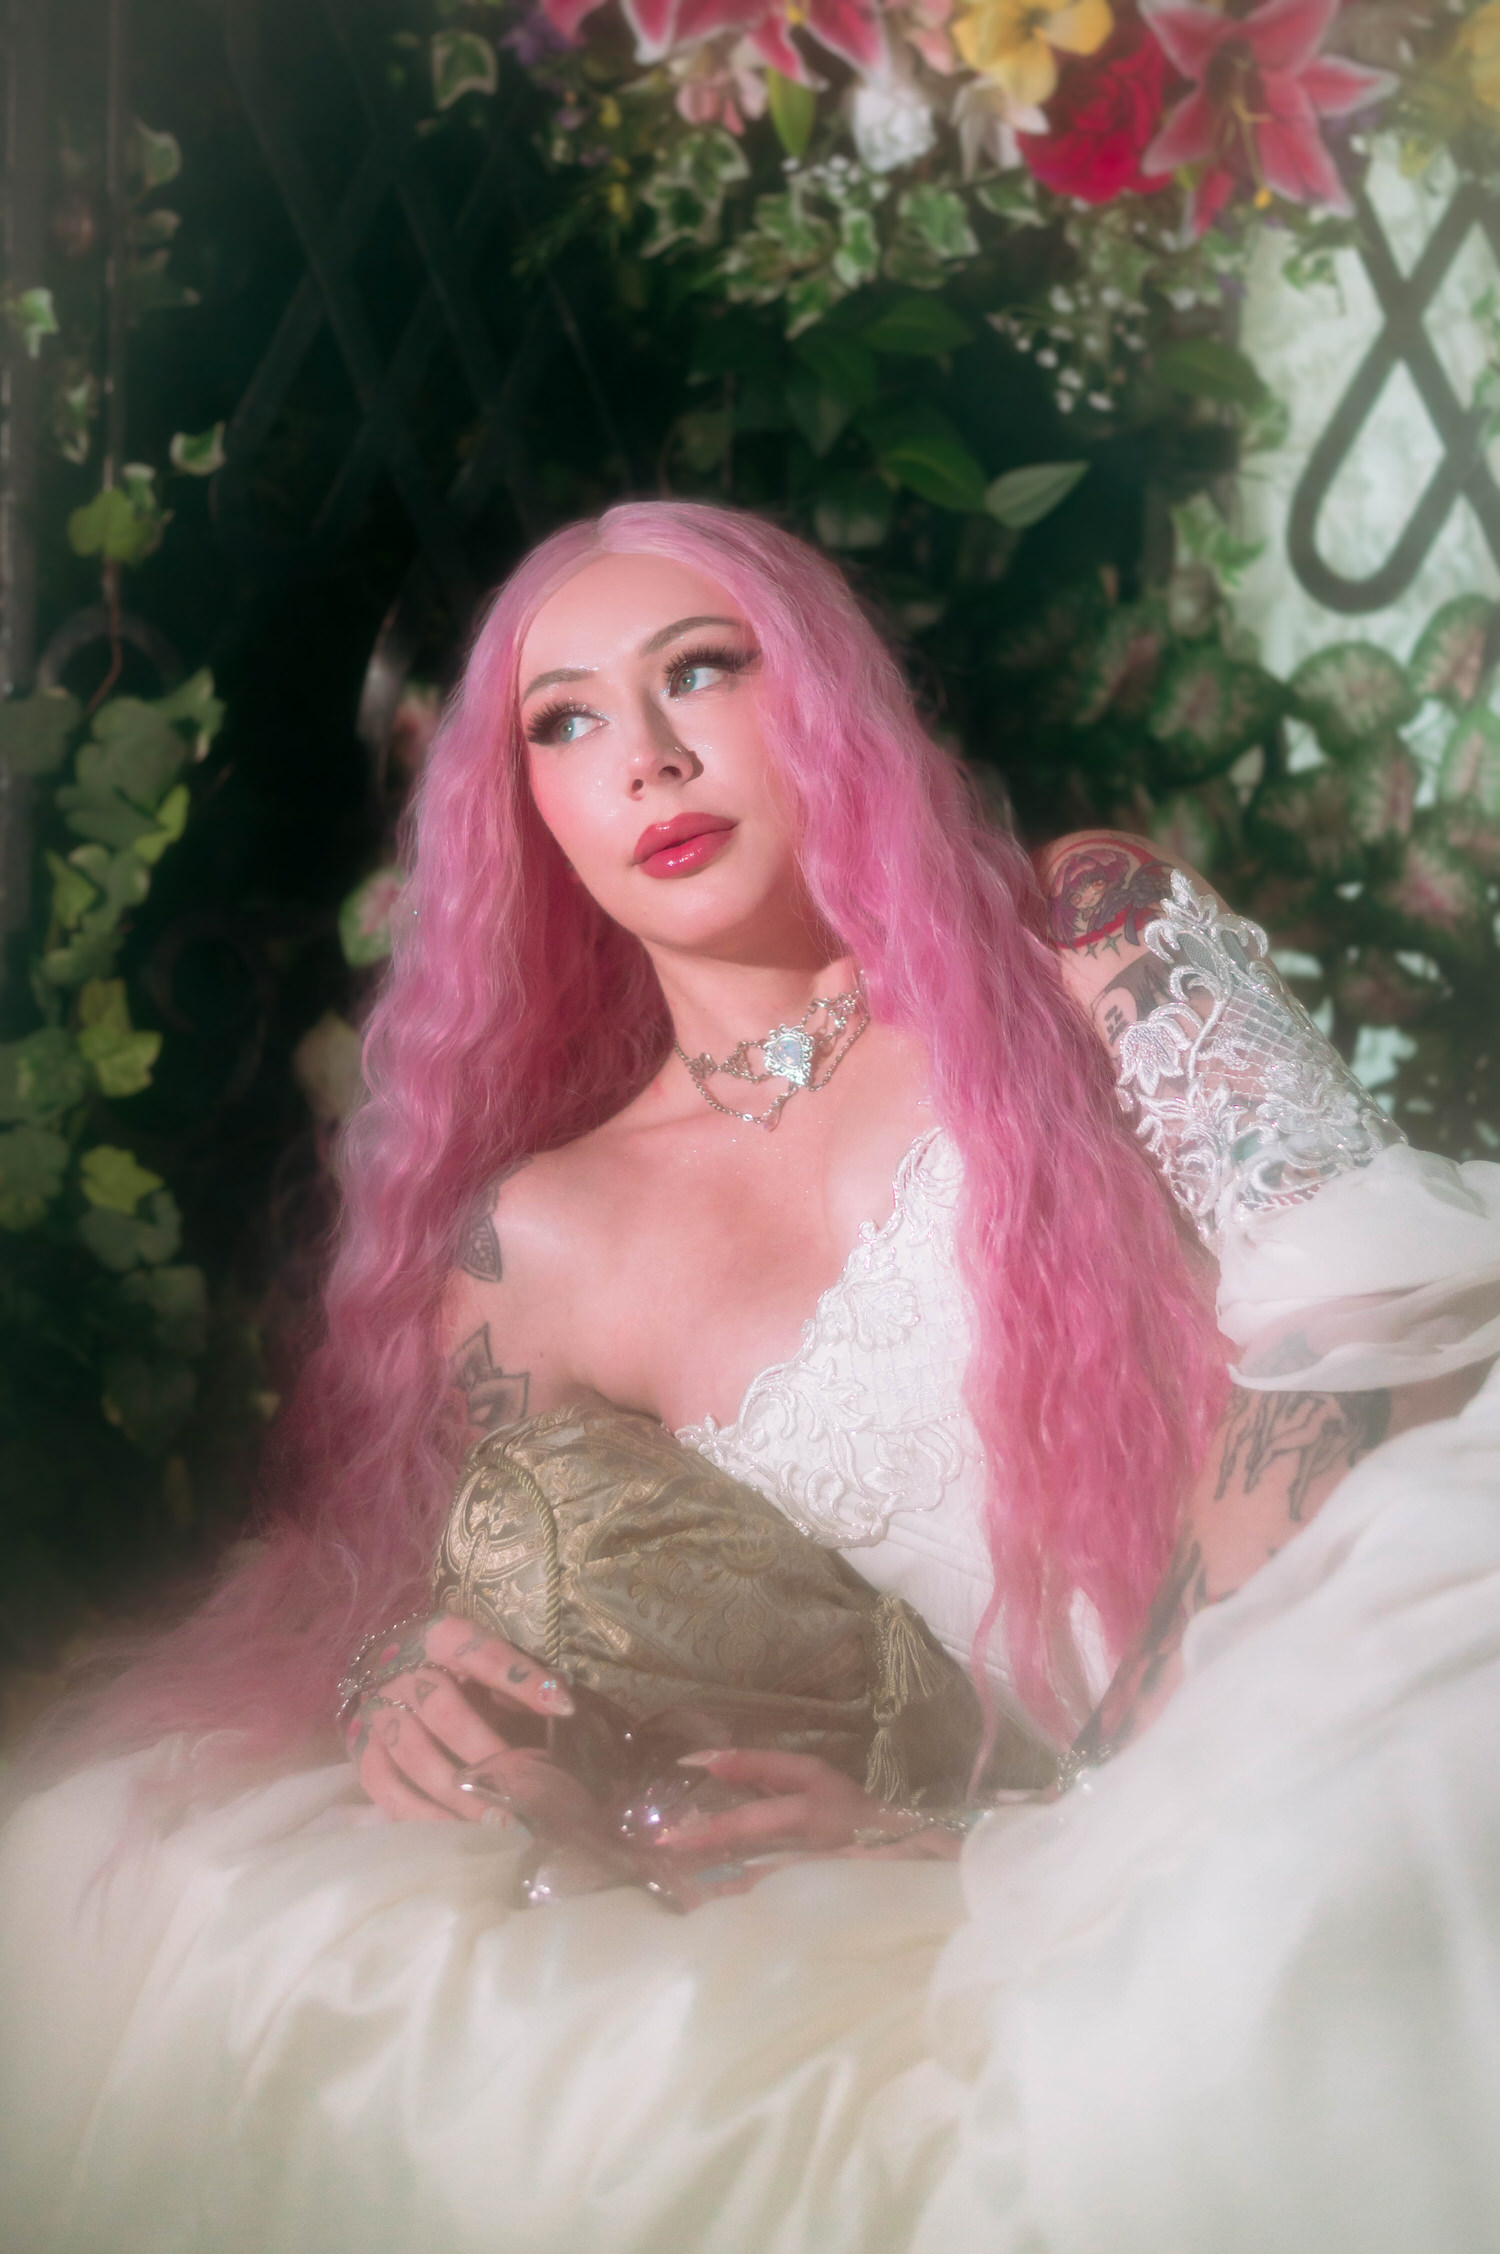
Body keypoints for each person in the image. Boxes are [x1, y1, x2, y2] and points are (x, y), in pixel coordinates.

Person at [3, 501, 1500, 2254]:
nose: (644, 757)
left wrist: (1109, 1796)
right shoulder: (537, 1251)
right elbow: (550, 1624)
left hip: (1368, 1589)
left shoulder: (1087, 928)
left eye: (701, 670)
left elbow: (1365, 1333)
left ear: (828, 706)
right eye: (564, 721)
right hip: (1054, 1814)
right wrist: (402, 1673)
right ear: (521, 815)